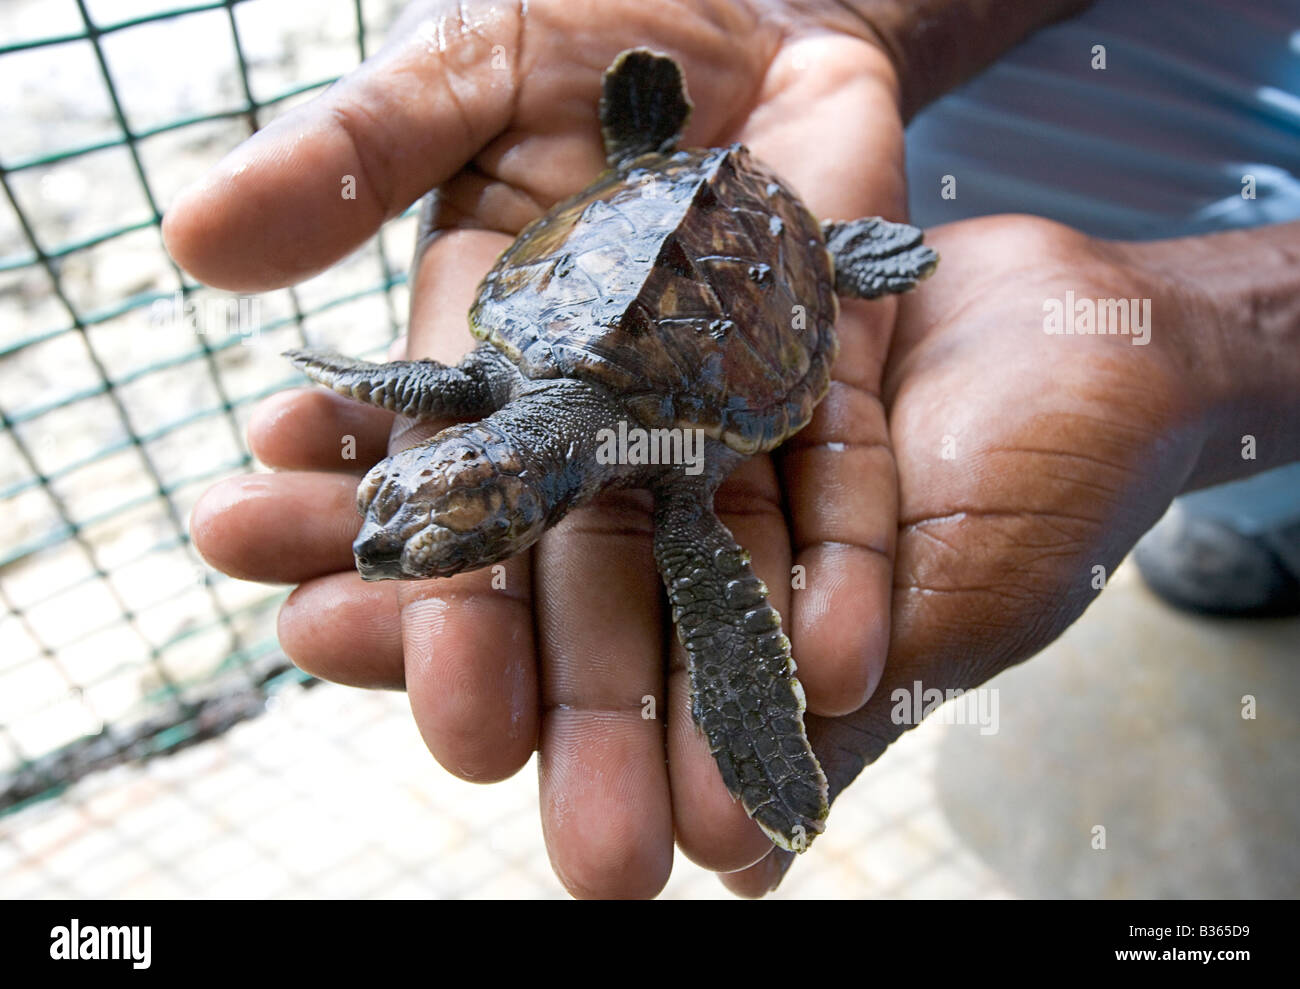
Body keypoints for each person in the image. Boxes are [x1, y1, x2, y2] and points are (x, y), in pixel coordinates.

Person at [167, 0, 1300, 898]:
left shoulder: (630, 439)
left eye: (414, 530)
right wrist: (829, 15)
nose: (392, 543)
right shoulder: (494, 372)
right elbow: (429, 386)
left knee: (717, 596)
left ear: (523, 513)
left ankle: (828, 252)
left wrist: (1204, 340)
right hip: (695, 193)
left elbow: (716, 600)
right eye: (406, 518)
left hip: (768, 231)